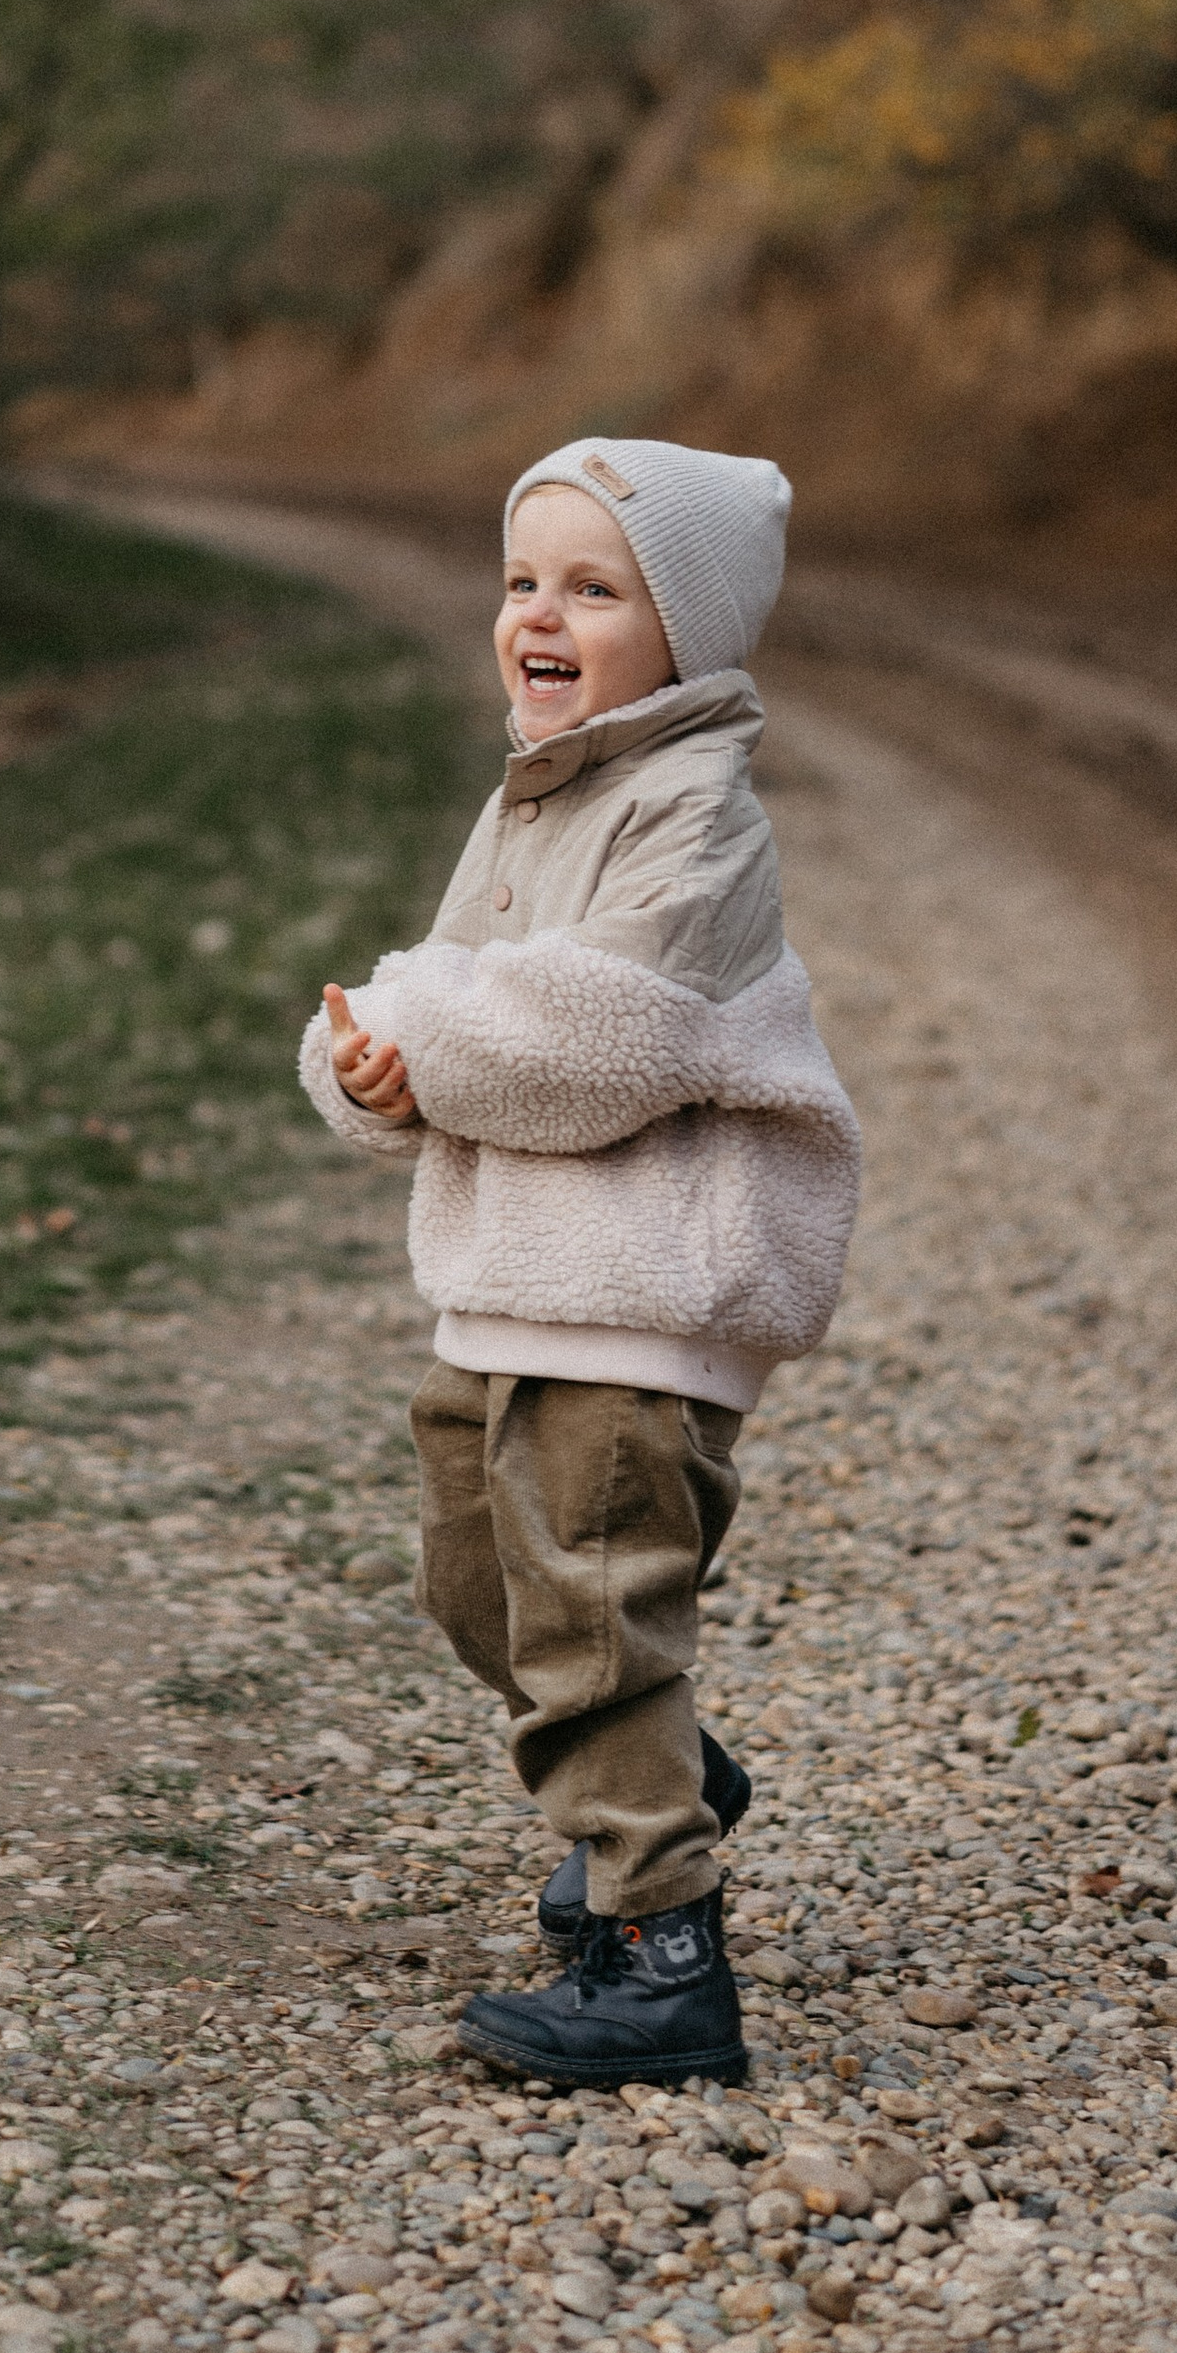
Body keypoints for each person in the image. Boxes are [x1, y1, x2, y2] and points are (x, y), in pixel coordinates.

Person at [298, 436, 861, 2088]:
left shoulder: (698, 817)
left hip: (634, 1300)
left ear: (686, 633)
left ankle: (661, 1960)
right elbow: (438, 985)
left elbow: (596, 1041)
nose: (539, 614)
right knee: (481, 1587)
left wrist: (422, 1029)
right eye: (522, 581)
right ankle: (657, 1768)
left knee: (592, 1616)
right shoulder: (531, 792)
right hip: (515, 1284)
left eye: (593, 590)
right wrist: (373, 1059)